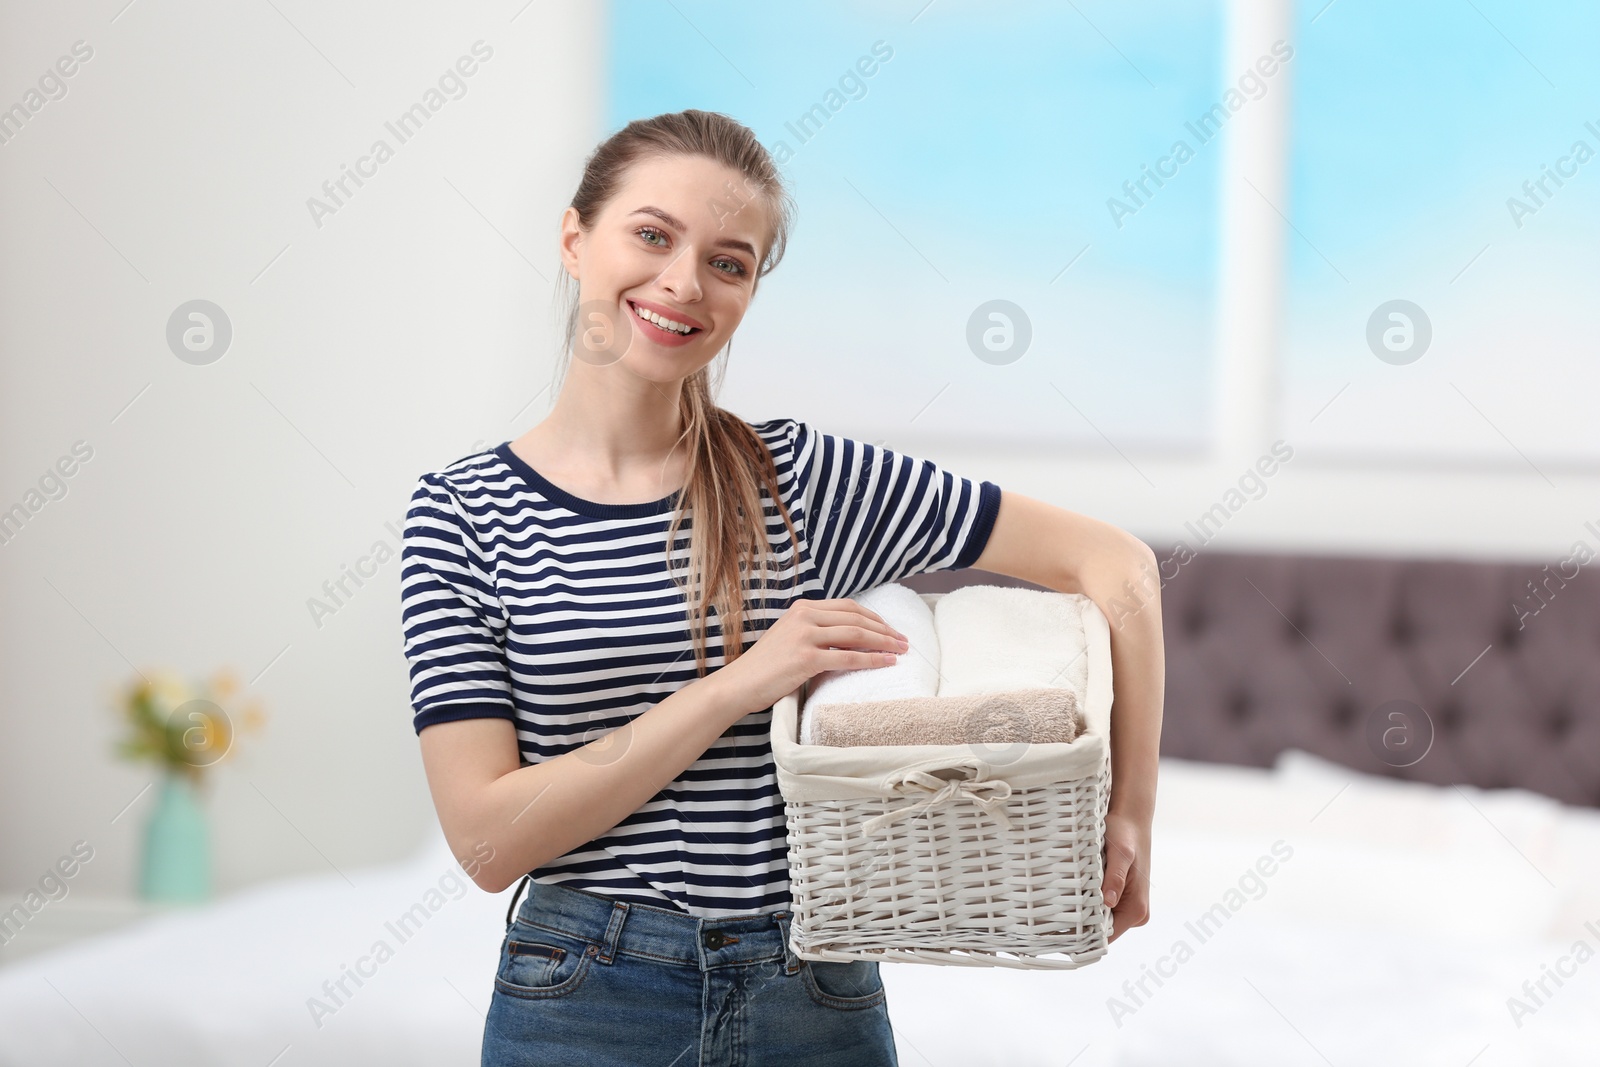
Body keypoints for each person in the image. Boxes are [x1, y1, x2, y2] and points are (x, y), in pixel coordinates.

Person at [399, 109, 1163, 1067]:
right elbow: (483, 841)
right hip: (584, 997)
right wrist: (738, 685)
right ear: (573, 238)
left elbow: (1119, 566)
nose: (682, 283)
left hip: (815, 991)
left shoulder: (801, 480)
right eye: (650, 234)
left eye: (730, 261)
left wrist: (1127, 809)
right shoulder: (460, 514)